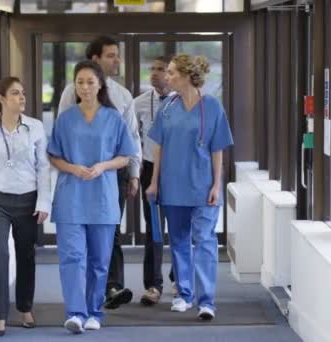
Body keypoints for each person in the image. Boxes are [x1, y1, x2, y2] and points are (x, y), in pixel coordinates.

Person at [48, 60, 137, 333]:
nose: (84, 87)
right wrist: (73, 168)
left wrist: (103, 166)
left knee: (100, 260)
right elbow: (54, 155)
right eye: (80, 82)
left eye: (89, 82)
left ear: (100, 84)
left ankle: (94, 312)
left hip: (103, 197)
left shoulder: (114, 118)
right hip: (71, 198)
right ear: (74, 87)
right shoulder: (65, 119)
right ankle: (75, 313)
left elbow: (126, 155)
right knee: (72, 257)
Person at [146, 54, 234, 321]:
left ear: (186, 76)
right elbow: (158, 147)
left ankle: (206, 301)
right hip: (172, 186)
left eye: (172, 73)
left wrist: (217, 185)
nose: (167, 76)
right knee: (180, 241)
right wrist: (154, 182)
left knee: (205, 241)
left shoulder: (212, 107)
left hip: (203, 186)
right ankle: (184, 295)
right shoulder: (168, 107)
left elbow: (217, 149)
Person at [0, 77, 50, 336]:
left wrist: (43, 202)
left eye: (23, 93)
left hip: (28, 200)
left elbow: (43, 167)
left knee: (25, 254)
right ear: (2, 98)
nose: (22, 98)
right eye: (16, 93)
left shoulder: (35, 127)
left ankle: (25, 307)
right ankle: (0, 314)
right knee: (0, 254)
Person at [133, 56, 176, 306]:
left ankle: (179, 278)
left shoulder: (182, 102)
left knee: (180, 228)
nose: (156, 73)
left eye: (161, 69)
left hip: (176, 170)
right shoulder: (139, 103)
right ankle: (153, 284)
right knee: (154, 229)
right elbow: (133, 138)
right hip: (150, 169)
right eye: (153, 68)